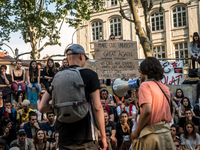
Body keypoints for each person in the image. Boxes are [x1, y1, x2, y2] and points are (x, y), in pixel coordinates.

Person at [38, 44, 107, 150]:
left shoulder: (57, 77)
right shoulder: (90, 75)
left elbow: (42, 107)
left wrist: (59, 106)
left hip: (64, 137)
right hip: (87, 137)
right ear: (81, 56)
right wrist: (103, 136)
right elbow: (97, 107)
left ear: (67, 58)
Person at [131, 57, 175, 150]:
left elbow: (147, 110)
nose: (140, 75)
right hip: (166, 136)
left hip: (151, 136)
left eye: (141, 71)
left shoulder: (145, 85)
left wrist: (136, 131)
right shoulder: (165, 88)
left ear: (145, 72)